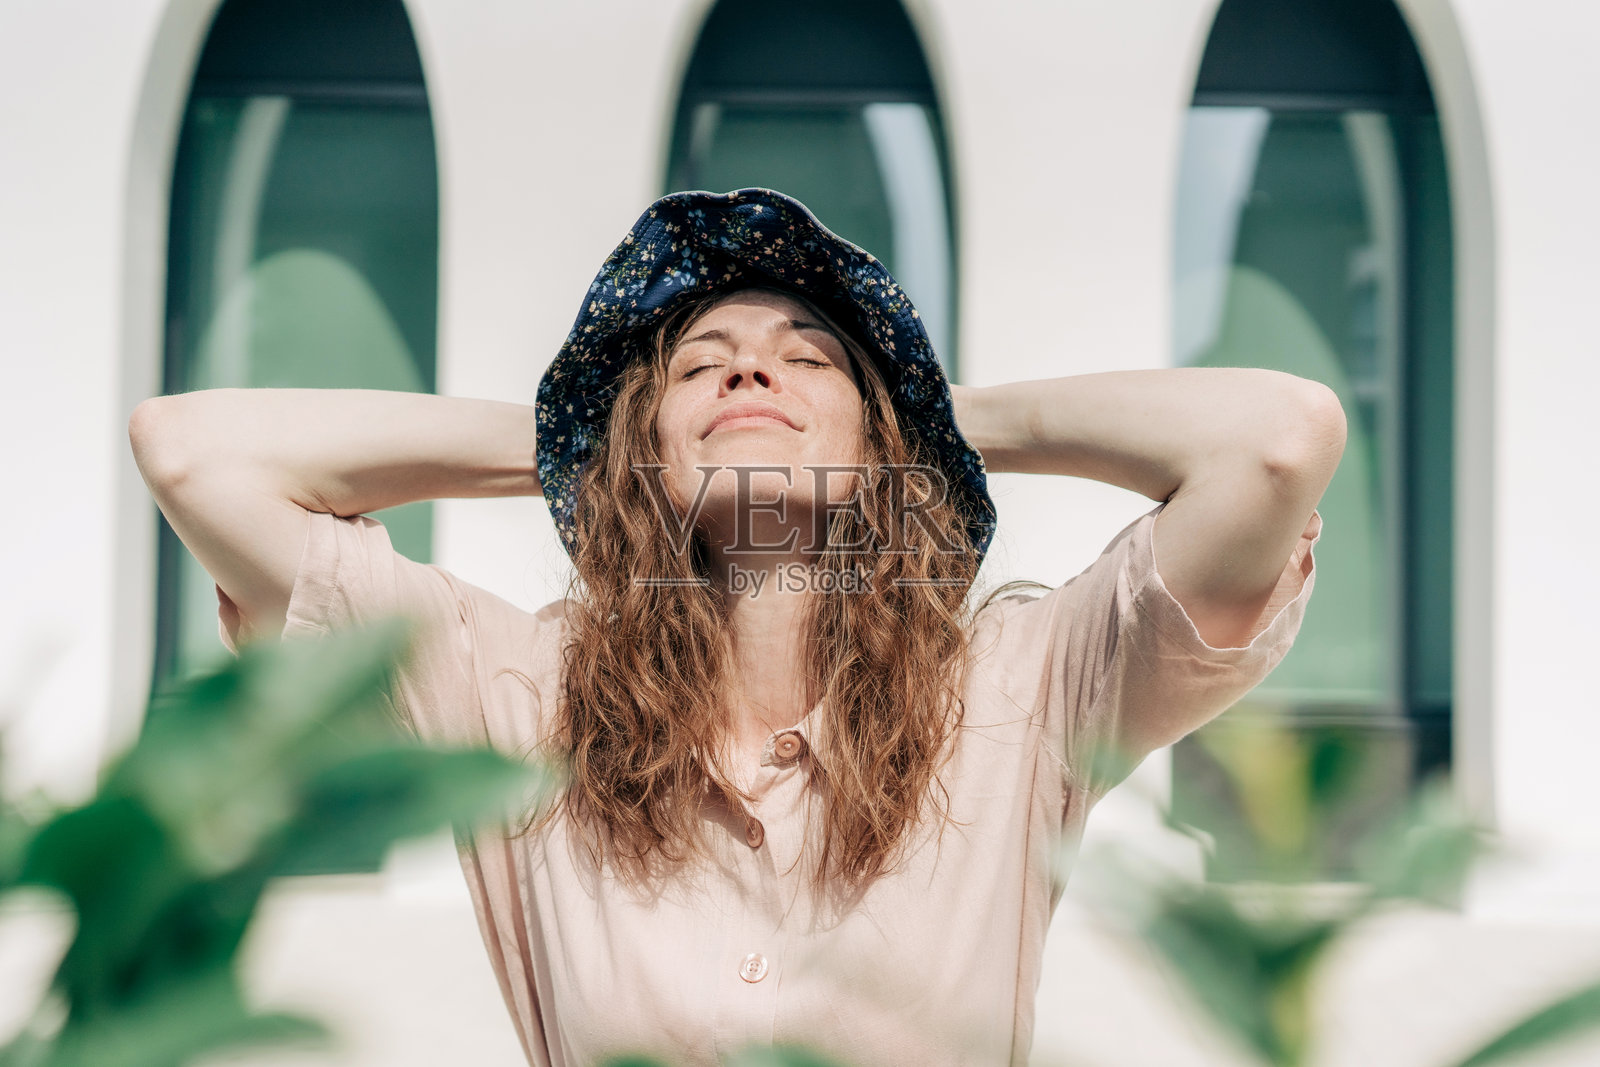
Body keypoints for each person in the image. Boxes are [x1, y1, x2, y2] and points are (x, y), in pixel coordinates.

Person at [129, 188, 1339, 1066]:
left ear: (884, 445)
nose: (750, 375)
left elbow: (1278, 440)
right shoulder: (512, 696)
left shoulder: (1023, 688)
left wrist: (933, 412)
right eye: (699, 366)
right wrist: (584, 438)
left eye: (809, 362)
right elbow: (189, 454)